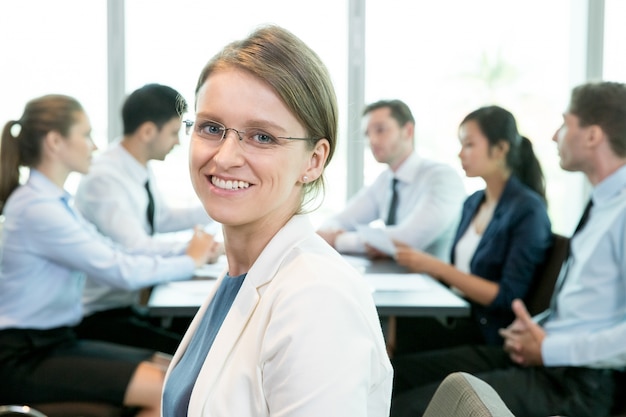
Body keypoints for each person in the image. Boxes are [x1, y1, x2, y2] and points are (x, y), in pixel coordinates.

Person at [161, 25, 392, 417]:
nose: (226, 157)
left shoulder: (317, 300)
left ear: (313, 161)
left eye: (262, 137)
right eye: (211, 128)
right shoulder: (244, 272)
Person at [390, 81, 626, 417]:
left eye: (565, 123)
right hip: (544, 358)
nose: (555, 135)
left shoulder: (619, 211)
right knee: (393, 379)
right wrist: (537, 329)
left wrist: (550, 348)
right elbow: (587, 308)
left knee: (410, 408)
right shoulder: (601, 203)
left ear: (591, 136)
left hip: (576, 383)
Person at [0, 94, 216, 415]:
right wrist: (190, 260)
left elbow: (115, 252)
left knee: (175, 370)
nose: (95, 146)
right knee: (167, 388)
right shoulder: (37, 209)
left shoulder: (56, 202)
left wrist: (190, 255)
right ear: (55, 142)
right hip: (23, 355)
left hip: (55, 341)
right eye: (86, 135)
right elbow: (120, 270)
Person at [392, 106, 552, 354]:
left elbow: (508, 297)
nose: (460, 154)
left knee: (398, 350)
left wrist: (434, 266)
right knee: (395, 330)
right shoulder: (473, 202)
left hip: (488, 335)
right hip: (461, 318)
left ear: (500, 149)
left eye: (469, 145)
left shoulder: (528, 211)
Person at [74, 83, 220, 354]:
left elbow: (160, 218)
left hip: (128, 306)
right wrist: (193, 251)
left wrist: (219, 203)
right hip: (98, 316)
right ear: (148, 131)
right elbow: (136, 246)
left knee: (201, 335)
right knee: (188, 352)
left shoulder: (137, 168)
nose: (178, 142)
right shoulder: (104, 178)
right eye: (174, 133)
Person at [317, 99, 465, 260]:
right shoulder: (385, 180)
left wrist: (340, 240)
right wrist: (333, 233)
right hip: (391, 275)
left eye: (380, 130)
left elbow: (407, 239)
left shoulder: (442, 178)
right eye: (367, 134)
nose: (371, 140)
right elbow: (336, 222)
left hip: (430, 282)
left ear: (408, 131)